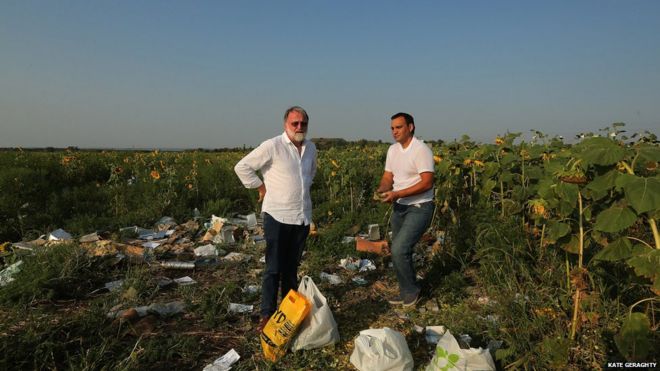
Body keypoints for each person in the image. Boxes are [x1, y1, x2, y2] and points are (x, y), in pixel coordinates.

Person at [234, 106, 317, 331]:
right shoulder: (273, 146)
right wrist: (260, 186)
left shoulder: (311, 148)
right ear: (285, 125)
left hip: (301, 217)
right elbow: (242, 167)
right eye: (295, 123)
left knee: (291, 268)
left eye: (303, 123)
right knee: (273, 268)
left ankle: (288, 313)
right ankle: (267, 314)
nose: (299, 127)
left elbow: (310, 175)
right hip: (277, 216)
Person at [376, 112, 435, 307]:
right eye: (392, 128)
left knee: (400, 248)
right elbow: (387, 176)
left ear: (410, 127)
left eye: (399, 127)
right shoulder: (393, 150)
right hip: (399, 206)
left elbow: (427, 183)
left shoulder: (421, 150)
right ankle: (405, 291)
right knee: (398, 250)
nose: (394, 131)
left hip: (420, 206)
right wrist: (383, 189)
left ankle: (412, 292)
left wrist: (398, 193)